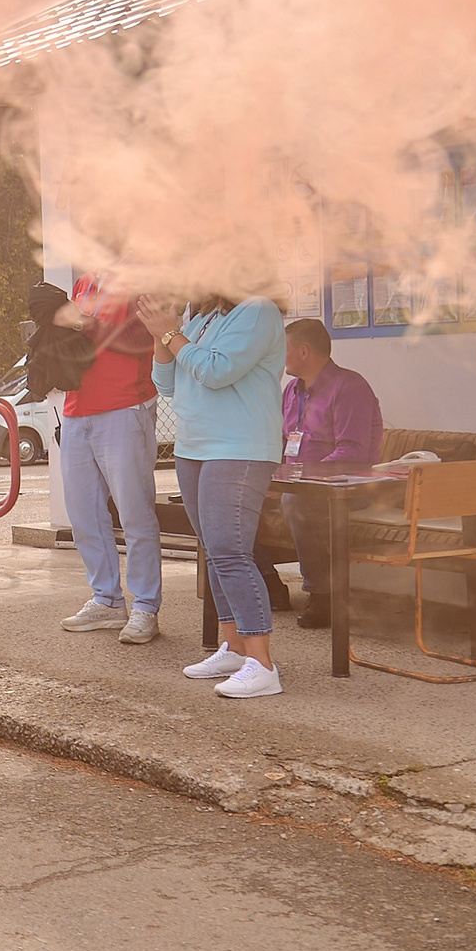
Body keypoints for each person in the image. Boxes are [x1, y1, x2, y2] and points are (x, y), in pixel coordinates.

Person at [137, 290, 288, 698]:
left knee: (230, 550)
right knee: (212, 549)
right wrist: (160, 335)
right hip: (195, 448)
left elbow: (217, 370)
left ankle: (262, 664)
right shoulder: (204, 318)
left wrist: (170, 333)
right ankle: (234, 648)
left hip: (238, 447)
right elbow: (165, 383)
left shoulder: (258, 311)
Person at [53, 275, 164, 646]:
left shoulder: (145, 276)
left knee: (134, 512)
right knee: (84, 514)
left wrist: (83, 323)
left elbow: (142, 339)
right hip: (76, 408)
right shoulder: (85, 281)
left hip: (124, 405)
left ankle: (146, 605)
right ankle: (107, 599)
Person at [279, 318, 386, 628]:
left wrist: (302, 479)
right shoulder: (291, 390)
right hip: (295, 482)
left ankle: (323, 595)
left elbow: (352, 454)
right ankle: (269, 584)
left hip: (347, 489)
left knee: (295, 502)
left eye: (283, 349)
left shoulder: (349, 387)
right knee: (235, 497)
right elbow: (283, 441)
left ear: (303, 351)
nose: (279, 356)